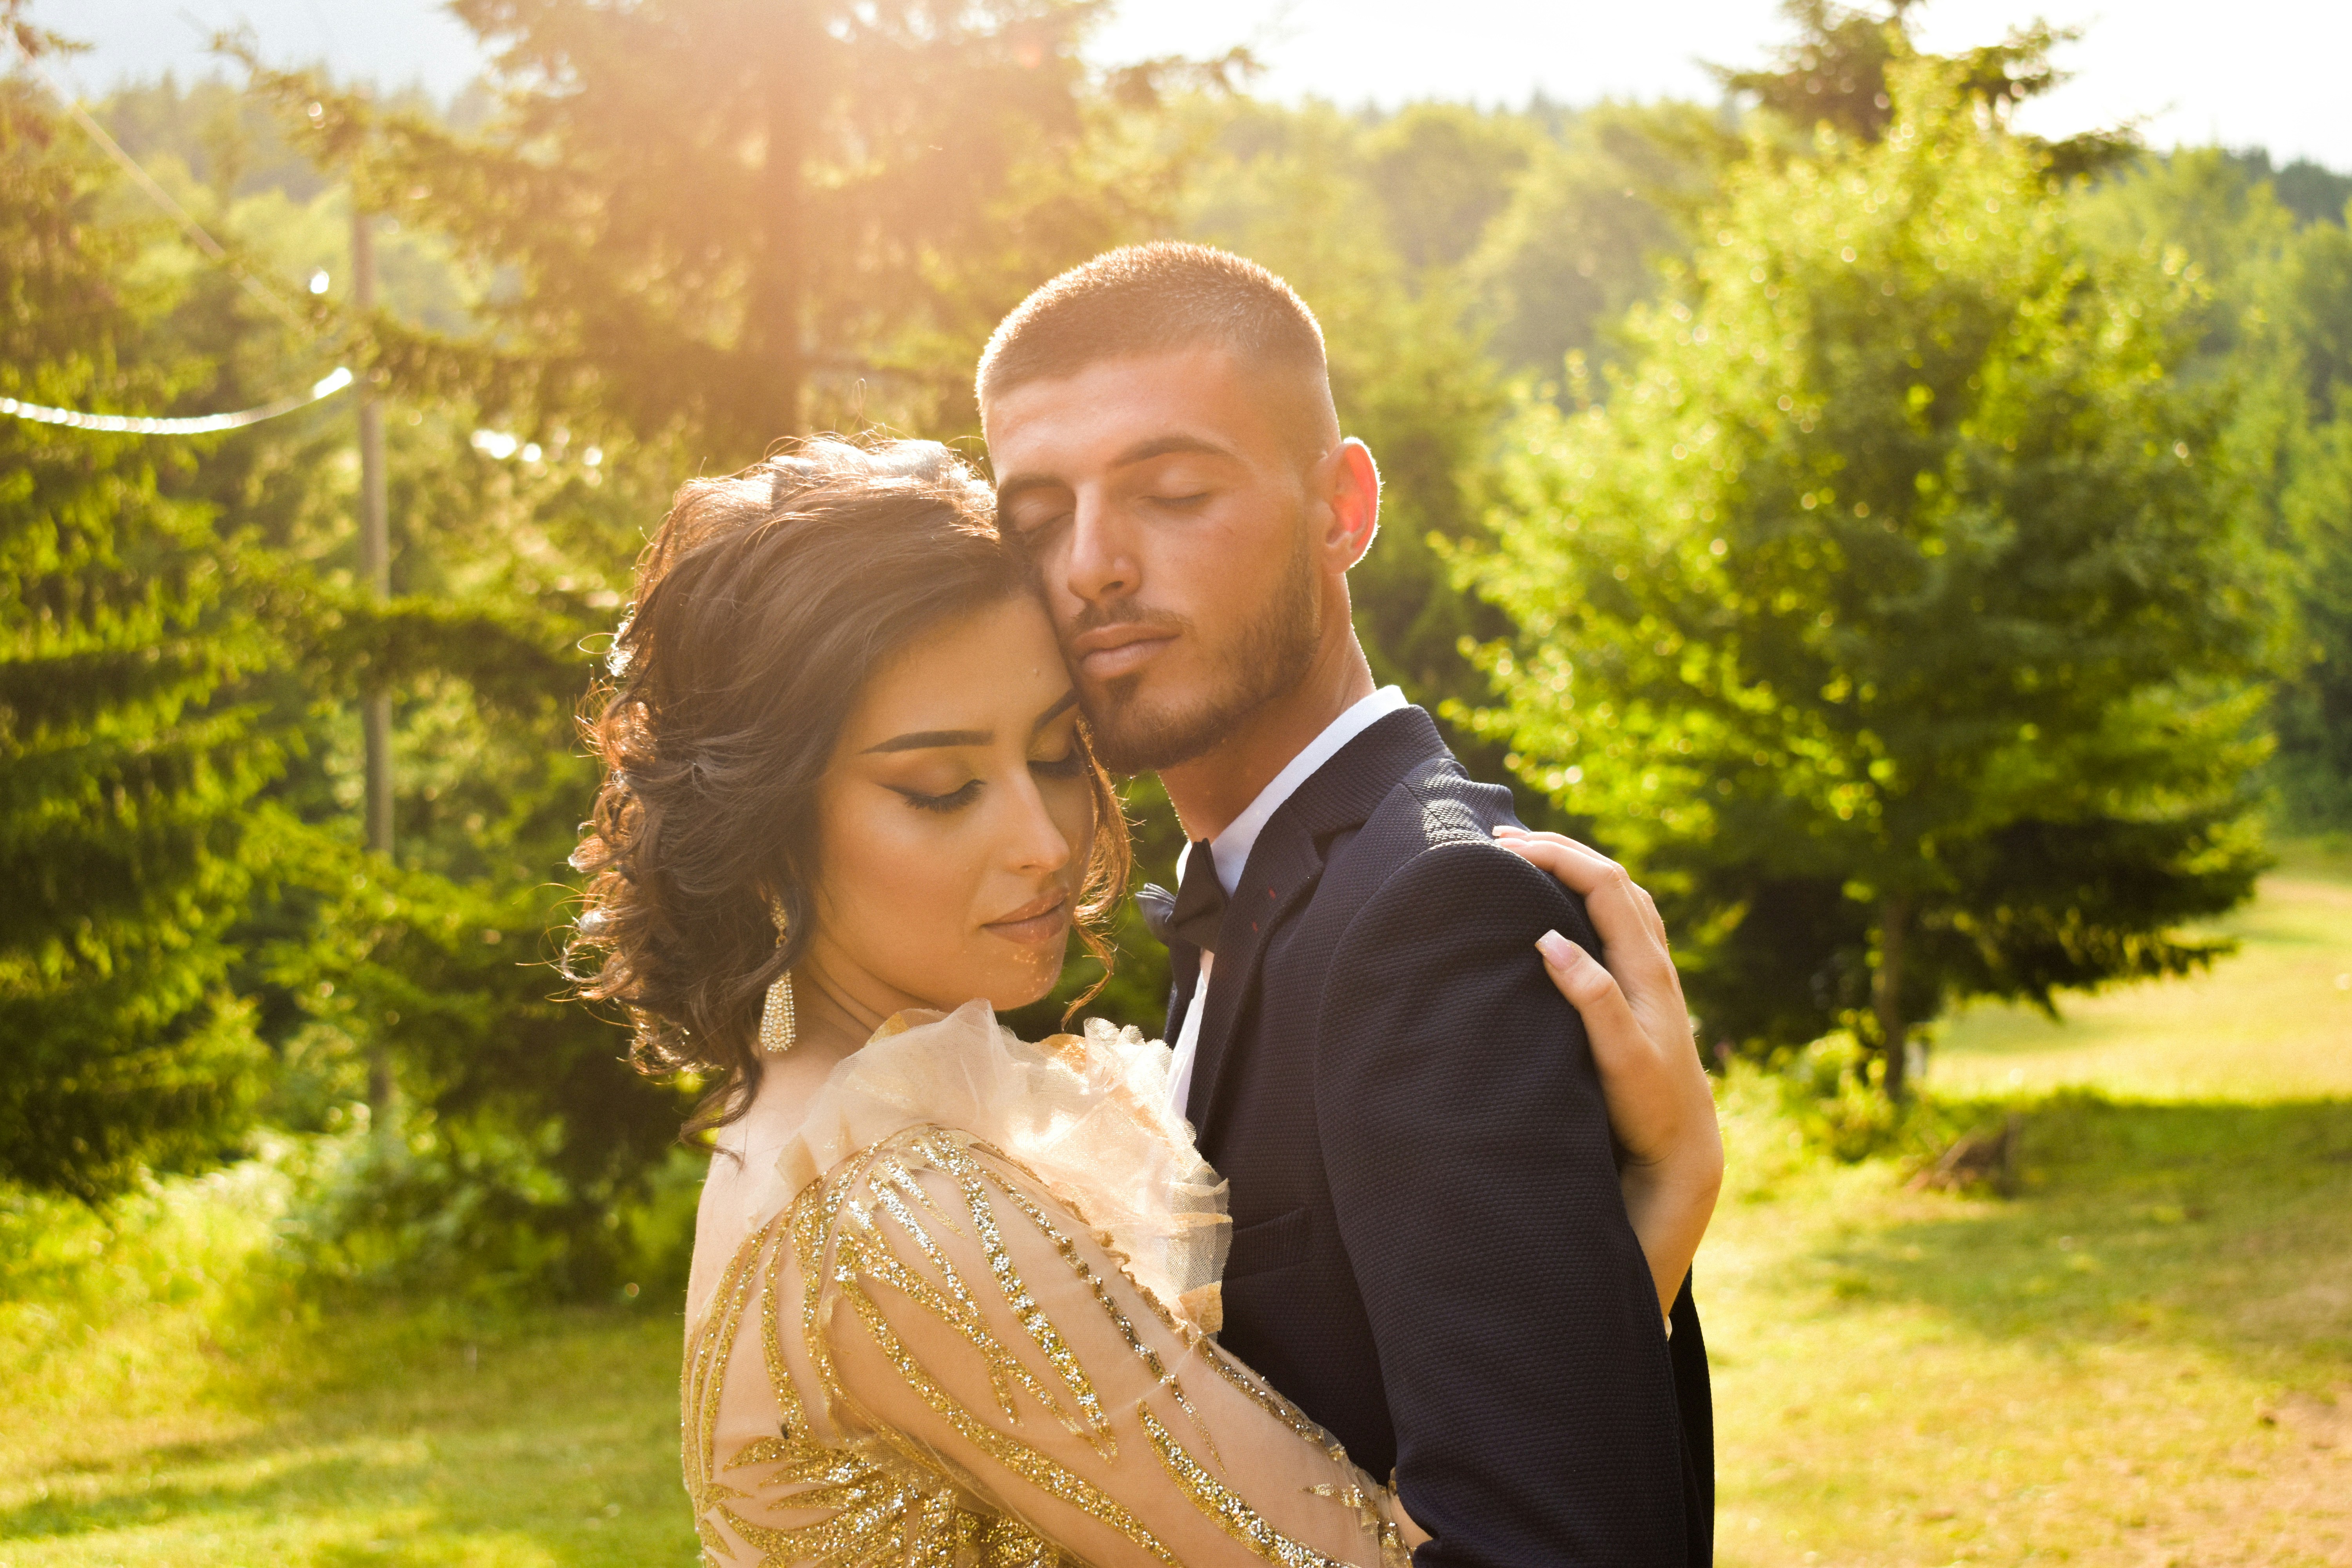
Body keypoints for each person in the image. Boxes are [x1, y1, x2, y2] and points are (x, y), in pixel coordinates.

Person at [570, 436, 1720, 1566]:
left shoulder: (785, 1125)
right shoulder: (901, 1216)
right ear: (766, 826)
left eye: (1060, 753)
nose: (1043, 840)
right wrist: (1654, 1220)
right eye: (942, 787)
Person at [978, 242, 1721, 1566]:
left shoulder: (1431, 917)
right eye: (1038, 517)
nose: (1089, 565)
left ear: (1342, 507)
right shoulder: (1246, 894)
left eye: (1172, 491)